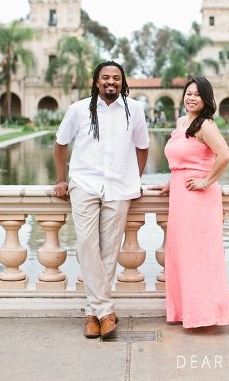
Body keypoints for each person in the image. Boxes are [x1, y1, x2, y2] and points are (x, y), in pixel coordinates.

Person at [53, 61, 149, 340]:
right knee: (86, 244)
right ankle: (105, 310)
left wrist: (135, 179)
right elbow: (61, 143)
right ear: (96, 81)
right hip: (84, 183)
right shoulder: (78, 109)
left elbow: (142, 148)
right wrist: (61, 180)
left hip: (119, 187)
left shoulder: (136, 110)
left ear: (122, 82)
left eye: (116, 78)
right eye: (105, 77)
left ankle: (93, 315)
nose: (111, 82)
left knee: (110, 250)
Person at [149, 77, 229, 329]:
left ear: (206, 99)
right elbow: (184, 159)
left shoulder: (205, 124)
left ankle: (206, 315)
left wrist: (206, 182)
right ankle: (187, 311)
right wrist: (171, 182)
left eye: (197, 94)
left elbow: (225, 155)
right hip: (181, 196)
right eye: (188, 93)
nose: (191, 98)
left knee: (200, 255)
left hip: (199, 198)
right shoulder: (182, 122)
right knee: (183, 254)